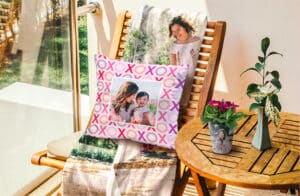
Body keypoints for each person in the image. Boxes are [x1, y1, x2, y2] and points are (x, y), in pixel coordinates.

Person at [168, 16, 202, 109]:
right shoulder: (174, 45)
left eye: (178, 29)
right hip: (181, 77)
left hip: (195, 78)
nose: (176, 34)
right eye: (174, 32)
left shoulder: (197, 41)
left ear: (186, 27)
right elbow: (173, 66)